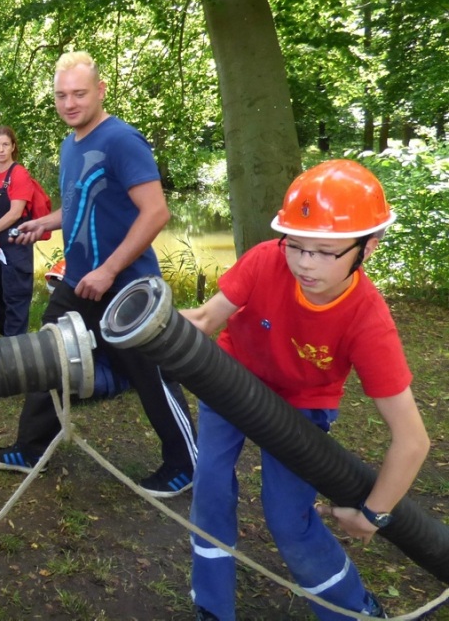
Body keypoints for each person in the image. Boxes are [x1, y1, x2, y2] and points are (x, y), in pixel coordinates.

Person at [181, 159, 428, 621]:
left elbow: (412, 439)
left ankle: (350, 609)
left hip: (302, 405)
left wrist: (372, 513)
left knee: (287, 519)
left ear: (367, 247)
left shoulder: (367, 319)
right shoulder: (264, 260)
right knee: (210, 492)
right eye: (295, 246)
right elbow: (204, 320)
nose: (304, 264)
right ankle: (212, 608)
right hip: (232, 381)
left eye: (324, 251)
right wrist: (148, 327)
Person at [0, 51, 197, 498]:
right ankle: (31, 448)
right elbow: (84, 205)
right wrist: (46, 222)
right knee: (48, 357)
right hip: (78, 281)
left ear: (100, 91)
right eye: (61, 95)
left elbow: (155, 213)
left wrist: (109, 269)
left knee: (151, 375)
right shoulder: (70, 143)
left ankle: (186, 462)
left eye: (79, 93)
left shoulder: (122, 140)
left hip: (126, 285)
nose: (70, 103)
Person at [0, 125, 35, 337]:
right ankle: (6, 337)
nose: (1, 149)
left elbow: (15, 212)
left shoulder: (19, 174)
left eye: (5, 144)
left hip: (15, 246)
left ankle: (17, 345)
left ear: (13, 147)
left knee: (15, 295)